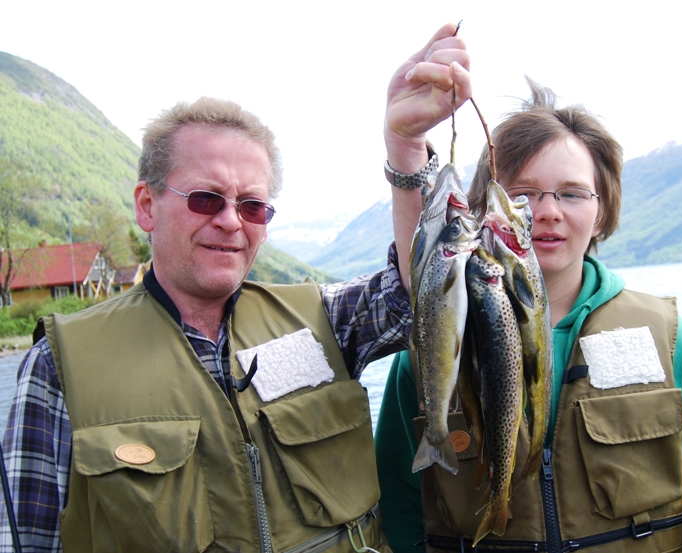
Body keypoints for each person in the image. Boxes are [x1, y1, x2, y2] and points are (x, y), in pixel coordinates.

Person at [0, 23, 471, 553]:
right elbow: (32, 540)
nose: (231, 221)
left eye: (252, 205)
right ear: (147, 205)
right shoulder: (59, 366)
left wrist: (405, 147)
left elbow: (423, 298)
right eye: (206, 198)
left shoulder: (323, 318)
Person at [374, 80, 682, 552]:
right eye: (523, 195)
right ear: (484, 211)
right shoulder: (433, 349)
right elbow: (397, 513)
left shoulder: (670, 340)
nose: (547, 212)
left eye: (572, 194)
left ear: (601, 213)